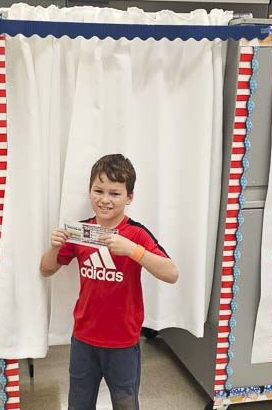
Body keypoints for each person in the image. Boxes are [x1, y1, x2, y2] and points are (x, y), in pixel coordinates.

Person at [39, 154, 178, 410]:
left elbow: (171, 273)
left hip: (123, 340)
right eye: (98, 191)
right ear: (89, 192)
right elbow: (46, 270)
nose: (105, 199)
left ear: (129, 197)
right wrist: (54, 247)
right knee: (79, 403)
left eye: (115, 193)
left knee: (125, 403)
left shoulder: (136, 233)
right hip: (83, 337)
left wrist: (133, 251)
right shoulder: (79, 232)